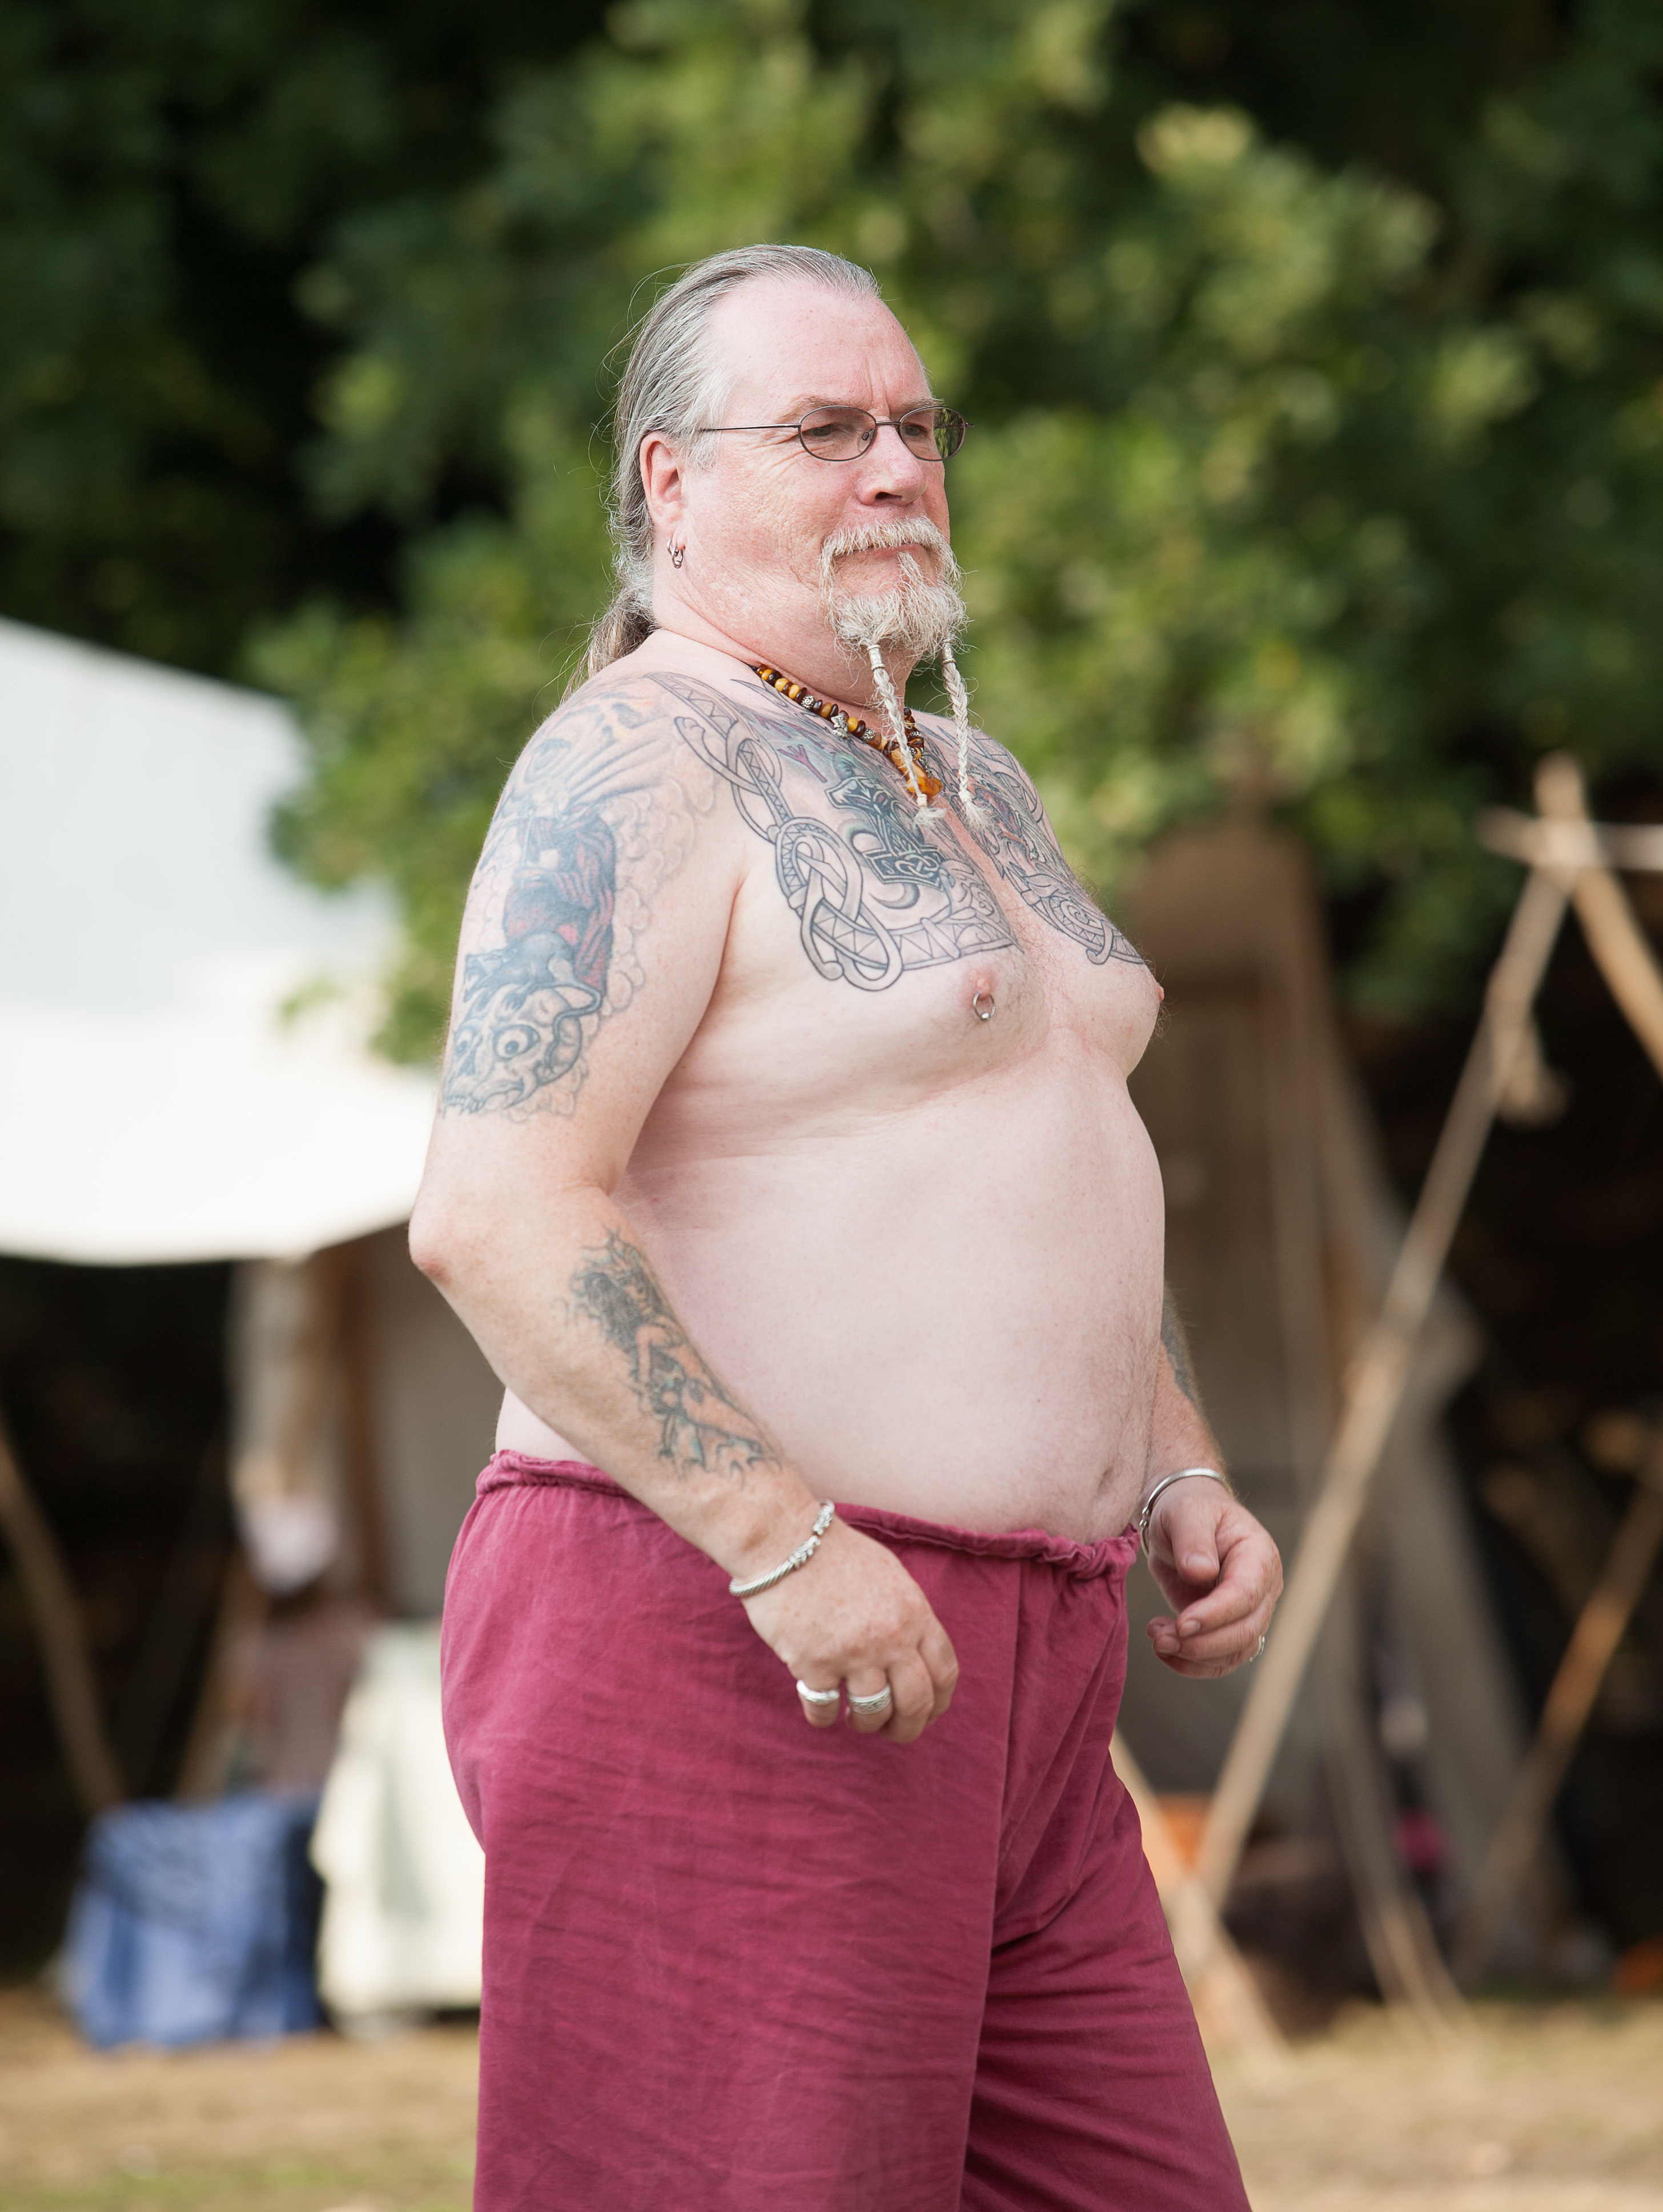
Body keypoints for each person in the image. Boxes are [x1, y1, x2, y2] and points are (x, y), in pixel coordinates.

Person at [416, 242, 1283, 2211]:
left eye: (915, 425)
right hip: (734, 1627)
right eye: (823, 430)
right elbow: (495, 1212)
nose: (894, 466)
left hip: (1030, 1668)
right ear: (671, 482)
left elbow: (1034, 1148)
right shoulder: (631, 761)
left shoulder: (974, 772)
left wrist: (1172, 1465)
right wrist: (780, 1543)